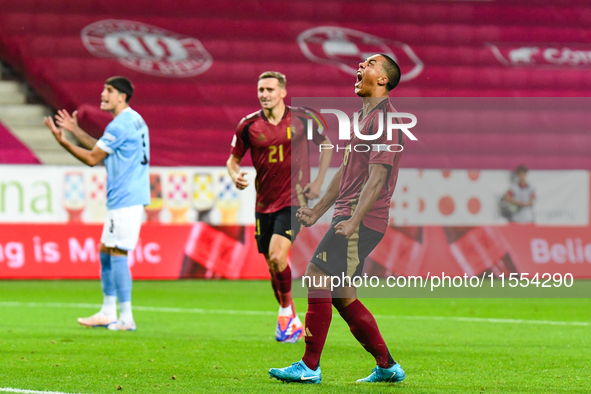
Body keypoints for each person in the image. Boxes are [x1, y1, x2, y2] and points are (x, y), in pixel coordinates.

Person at [269, 54, 406, 383]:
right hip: (349, 216)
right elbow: (346, 172)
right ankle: (387, 367)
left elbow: (376, 179)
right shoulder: (362, 118)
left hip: (364, 219)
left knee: (316, 273)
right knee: (342, 295)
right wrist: (318, 210)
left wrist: (354, 220)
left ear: (384, 79)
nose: (361, 66)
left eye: (370, 64)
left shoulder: (386, 121)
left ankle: (309, 366)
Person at [227, 71, 332, 343]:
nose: (264, 94)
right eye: (261, 89)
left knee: (276, 255)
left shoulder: (303, 118)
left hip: (294, 199)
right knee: (274, 265)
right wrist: (234, 173)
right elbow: (233, 159)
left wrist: (319, 181)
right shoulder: (248, 125)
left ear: (283, 92)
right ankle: (292, 319)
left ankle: (286, 312)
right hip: (263, 203)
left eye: (270, 90)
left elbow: (327, 145)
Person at [43, 76, 149, 331]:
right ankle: (108, 311)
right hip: (126, 197)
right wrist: (76, 131)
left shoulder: (120, 125)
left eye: (109, 91)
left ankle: (125, 317)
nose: (103, 94)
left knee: (117, 252)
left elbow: (93, 158)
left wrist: (63, 142)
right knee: (106, 250)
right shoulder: (132, 120)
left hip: (126, 198)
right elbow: (102, 149)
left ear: (122, 96)